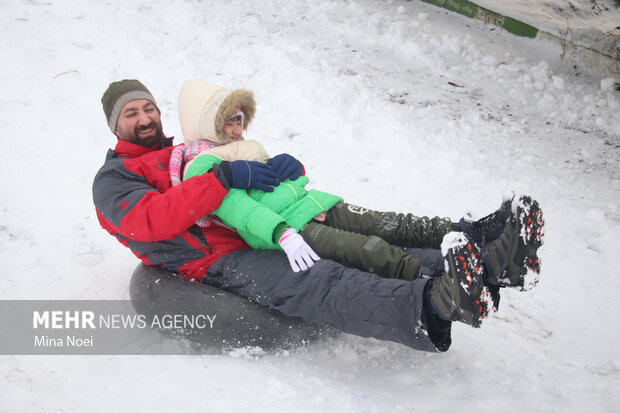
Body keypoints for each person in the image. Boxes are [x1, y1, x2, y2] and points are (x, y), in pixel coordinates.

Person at [93, 79, 544, 353]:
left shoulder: (183, 151)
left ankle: (489, 264)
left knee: (377, 242)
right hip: (215, 258)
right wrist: (223, 177)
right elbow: (147, 221)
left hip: (258, 231)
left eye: (148, 108)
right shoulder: (115, 177)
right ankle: (435, 305)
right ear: (116, 126)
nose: (145, 117)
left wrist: (275, 170)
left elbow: (241, 173)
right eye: (132, 113)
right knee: (322, 279)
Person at [170, 79, 447, 281]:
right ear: (208, 124)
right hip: (290, 226)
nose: (235, 129)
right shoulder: (200, 165)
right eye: (226, 122)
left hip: (314, 204)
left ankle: (459, 232)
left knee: (384, 222)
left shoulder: (249, 147)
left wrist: (292, 167)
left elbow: (277, 185)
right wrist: (282, 232)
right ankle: (434, 283)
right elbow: (238, 208)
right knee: (365, 250)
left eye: (239, 121)